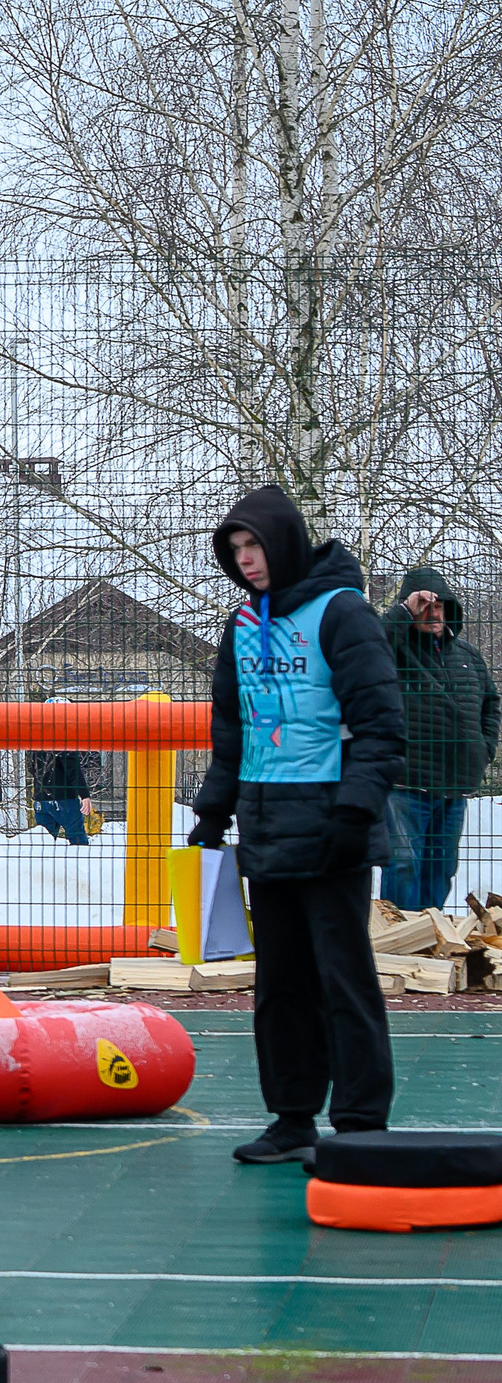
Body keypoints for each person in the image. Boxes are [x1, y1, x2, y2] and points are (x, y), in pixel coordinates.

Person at [187, 485, 404, 1165]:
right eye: (235, 550)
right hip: (265, 826)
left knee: (345, 977)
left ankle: (362, 1123)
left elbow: (381, 726)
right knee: (279, 983)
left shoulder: (344, 614)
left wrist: (354, 810)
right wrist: (213, 814)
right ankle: (291, 1117)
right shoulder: (242, 627)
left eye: (254, 545)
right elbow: (233, 730)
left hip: (333, 826)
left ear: (283, 541)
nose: (246, 560)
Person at [378, 567, 498, 911]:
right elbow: (369, 642)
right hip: (405, 783)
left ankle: (430, 942)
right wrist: (403, 613)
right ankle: (401, 943)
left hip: (454, 784)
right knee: (402, 865)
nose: (434, 613)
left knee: (440, 871)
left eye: (440, 605)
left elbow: (492, 704)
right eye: (424, 605)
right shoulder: (393, 651)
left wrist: (484, 748)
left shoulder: (467, 656)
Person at [33, 749, 95, 845]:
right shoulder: (64, 741)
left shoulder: (36, 740)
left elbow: (31, 767)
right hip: (65, 798)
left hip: (41, 798)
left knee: (44, 844)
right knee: (77, 840)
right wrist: (84, 795)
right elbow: (73, 769)